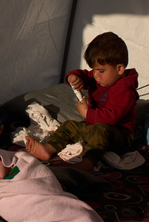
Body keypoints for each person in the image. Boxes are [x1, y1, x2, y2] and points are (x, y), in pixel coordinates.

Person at [24, 32, 138, 171]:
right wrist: (74, 77)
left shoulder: (124, 90)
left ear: (119, 69)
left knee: (101, 130)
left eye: (100, 71)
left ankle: (89, 162)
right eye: (94, 70)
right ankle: (48, 148)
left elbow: (110, 119)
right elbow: (85, 75)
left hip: (118, 137)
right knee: (69, 125)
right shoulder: (100, 77)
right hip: (93, 127)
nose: (95, 75)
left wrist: (86, 113)